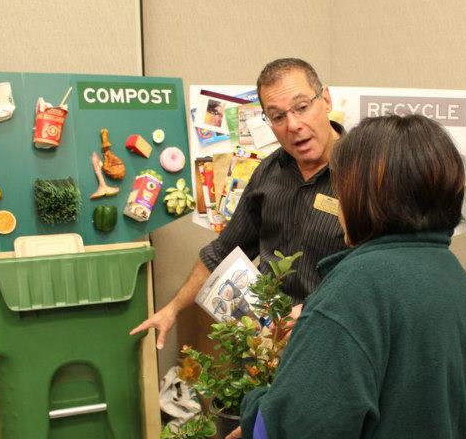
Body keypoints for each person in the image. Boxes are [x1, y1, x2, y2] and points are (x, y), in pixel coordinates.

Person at [232, 114, 466, 439]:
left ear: (367, 195)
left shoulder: (355, 286)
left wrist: (256, 412)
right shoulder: (456, 280)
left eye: (342, 185)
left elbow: (305, 432)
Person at [131, 58, 347, 347]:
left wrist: (310, 312)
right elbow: (222, 251)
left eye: (302, 107)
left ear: (326, 99)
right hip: (267, 345)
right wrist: (172, 309)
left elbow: (375, 274)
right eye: (278, 116)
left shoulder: (366, 174)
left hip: (332, 341)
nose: (293, 124)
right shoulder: (269, 173)